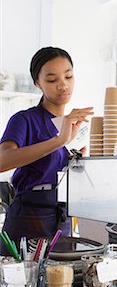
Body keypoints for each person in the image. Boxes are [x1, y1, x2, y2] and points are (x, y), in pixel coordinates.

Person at [0, 47, 93, 255]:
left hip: (61, 219)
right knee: (22, 283)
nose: (63, 85)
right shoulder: (24, 120)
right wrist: (59, 141)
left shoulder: (73, 125)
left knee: (58, 283)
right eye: (52, 80)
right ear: (37, 83)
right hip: (29, 219)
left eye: (68, 76)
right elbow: (2, 161)